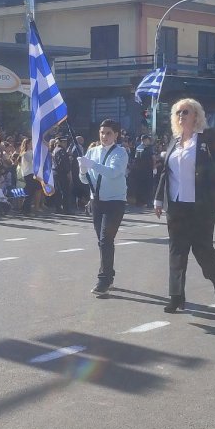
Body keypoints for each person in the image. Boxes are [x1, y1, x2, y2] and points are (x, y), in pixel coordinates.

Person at [153, 99, 215, 313]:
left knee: (202, 249)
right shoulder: (173, 141)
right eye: (178, 113)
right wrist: (158, 199)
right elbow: (165, 172)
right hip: (177, 204)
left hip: (202, 204)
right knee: (176, 251)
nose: (181, 116)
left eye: (186, 112)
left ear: (196, 116)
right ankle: (176, 296)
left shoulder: (208, 140)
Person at [79, 119, 130, 297]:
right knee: (102, 241)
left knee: (106, 239)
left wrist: (91, 165)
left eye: (108, 133)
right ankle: (109, 274)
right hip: (97, 201)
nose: (104, 136)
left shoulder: (121, 152)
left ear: (116, 134)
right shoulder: (92, 151)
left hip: (114, 201)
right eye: (102, 133)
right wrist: (83, 170)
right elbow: (85, 180)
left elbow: (113, 172)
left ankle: (104, 279)